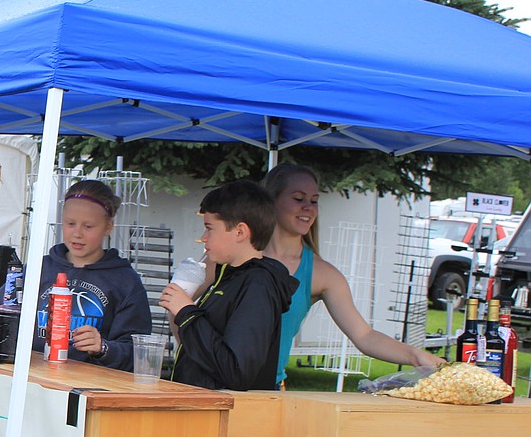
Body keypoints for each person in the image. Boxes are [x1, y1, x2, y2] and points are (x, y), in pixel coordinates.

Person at [262, 163, 442, 387]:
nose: (308, 207)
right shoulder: (239, 254)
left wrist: (415, 356)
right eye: (298, 199)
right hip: (215, 383)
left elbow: (365, 336)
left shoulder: (322, 273)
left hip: (267, 390)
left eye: (314, 201)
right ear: (271, 201)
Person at [160, 180, 298, 391]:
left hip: (229, 418)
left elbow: (236, 371)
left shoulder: (258, 285)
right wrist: (180, 313)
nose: (203, 238)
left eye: (209, 229)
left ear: (240, 232)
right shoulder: (228, 277)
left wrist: (187, 313)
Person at [32, 179, 152, 369]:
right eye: (70, 223)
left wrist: (104, 348)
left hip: (91, 390)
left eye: (88, 227)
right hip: (34, 382)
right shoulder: (37, 270)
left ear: (108, 227)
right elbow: (5, 319)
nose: (77, 233)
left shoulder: (125, 281)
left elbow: (138, 353)